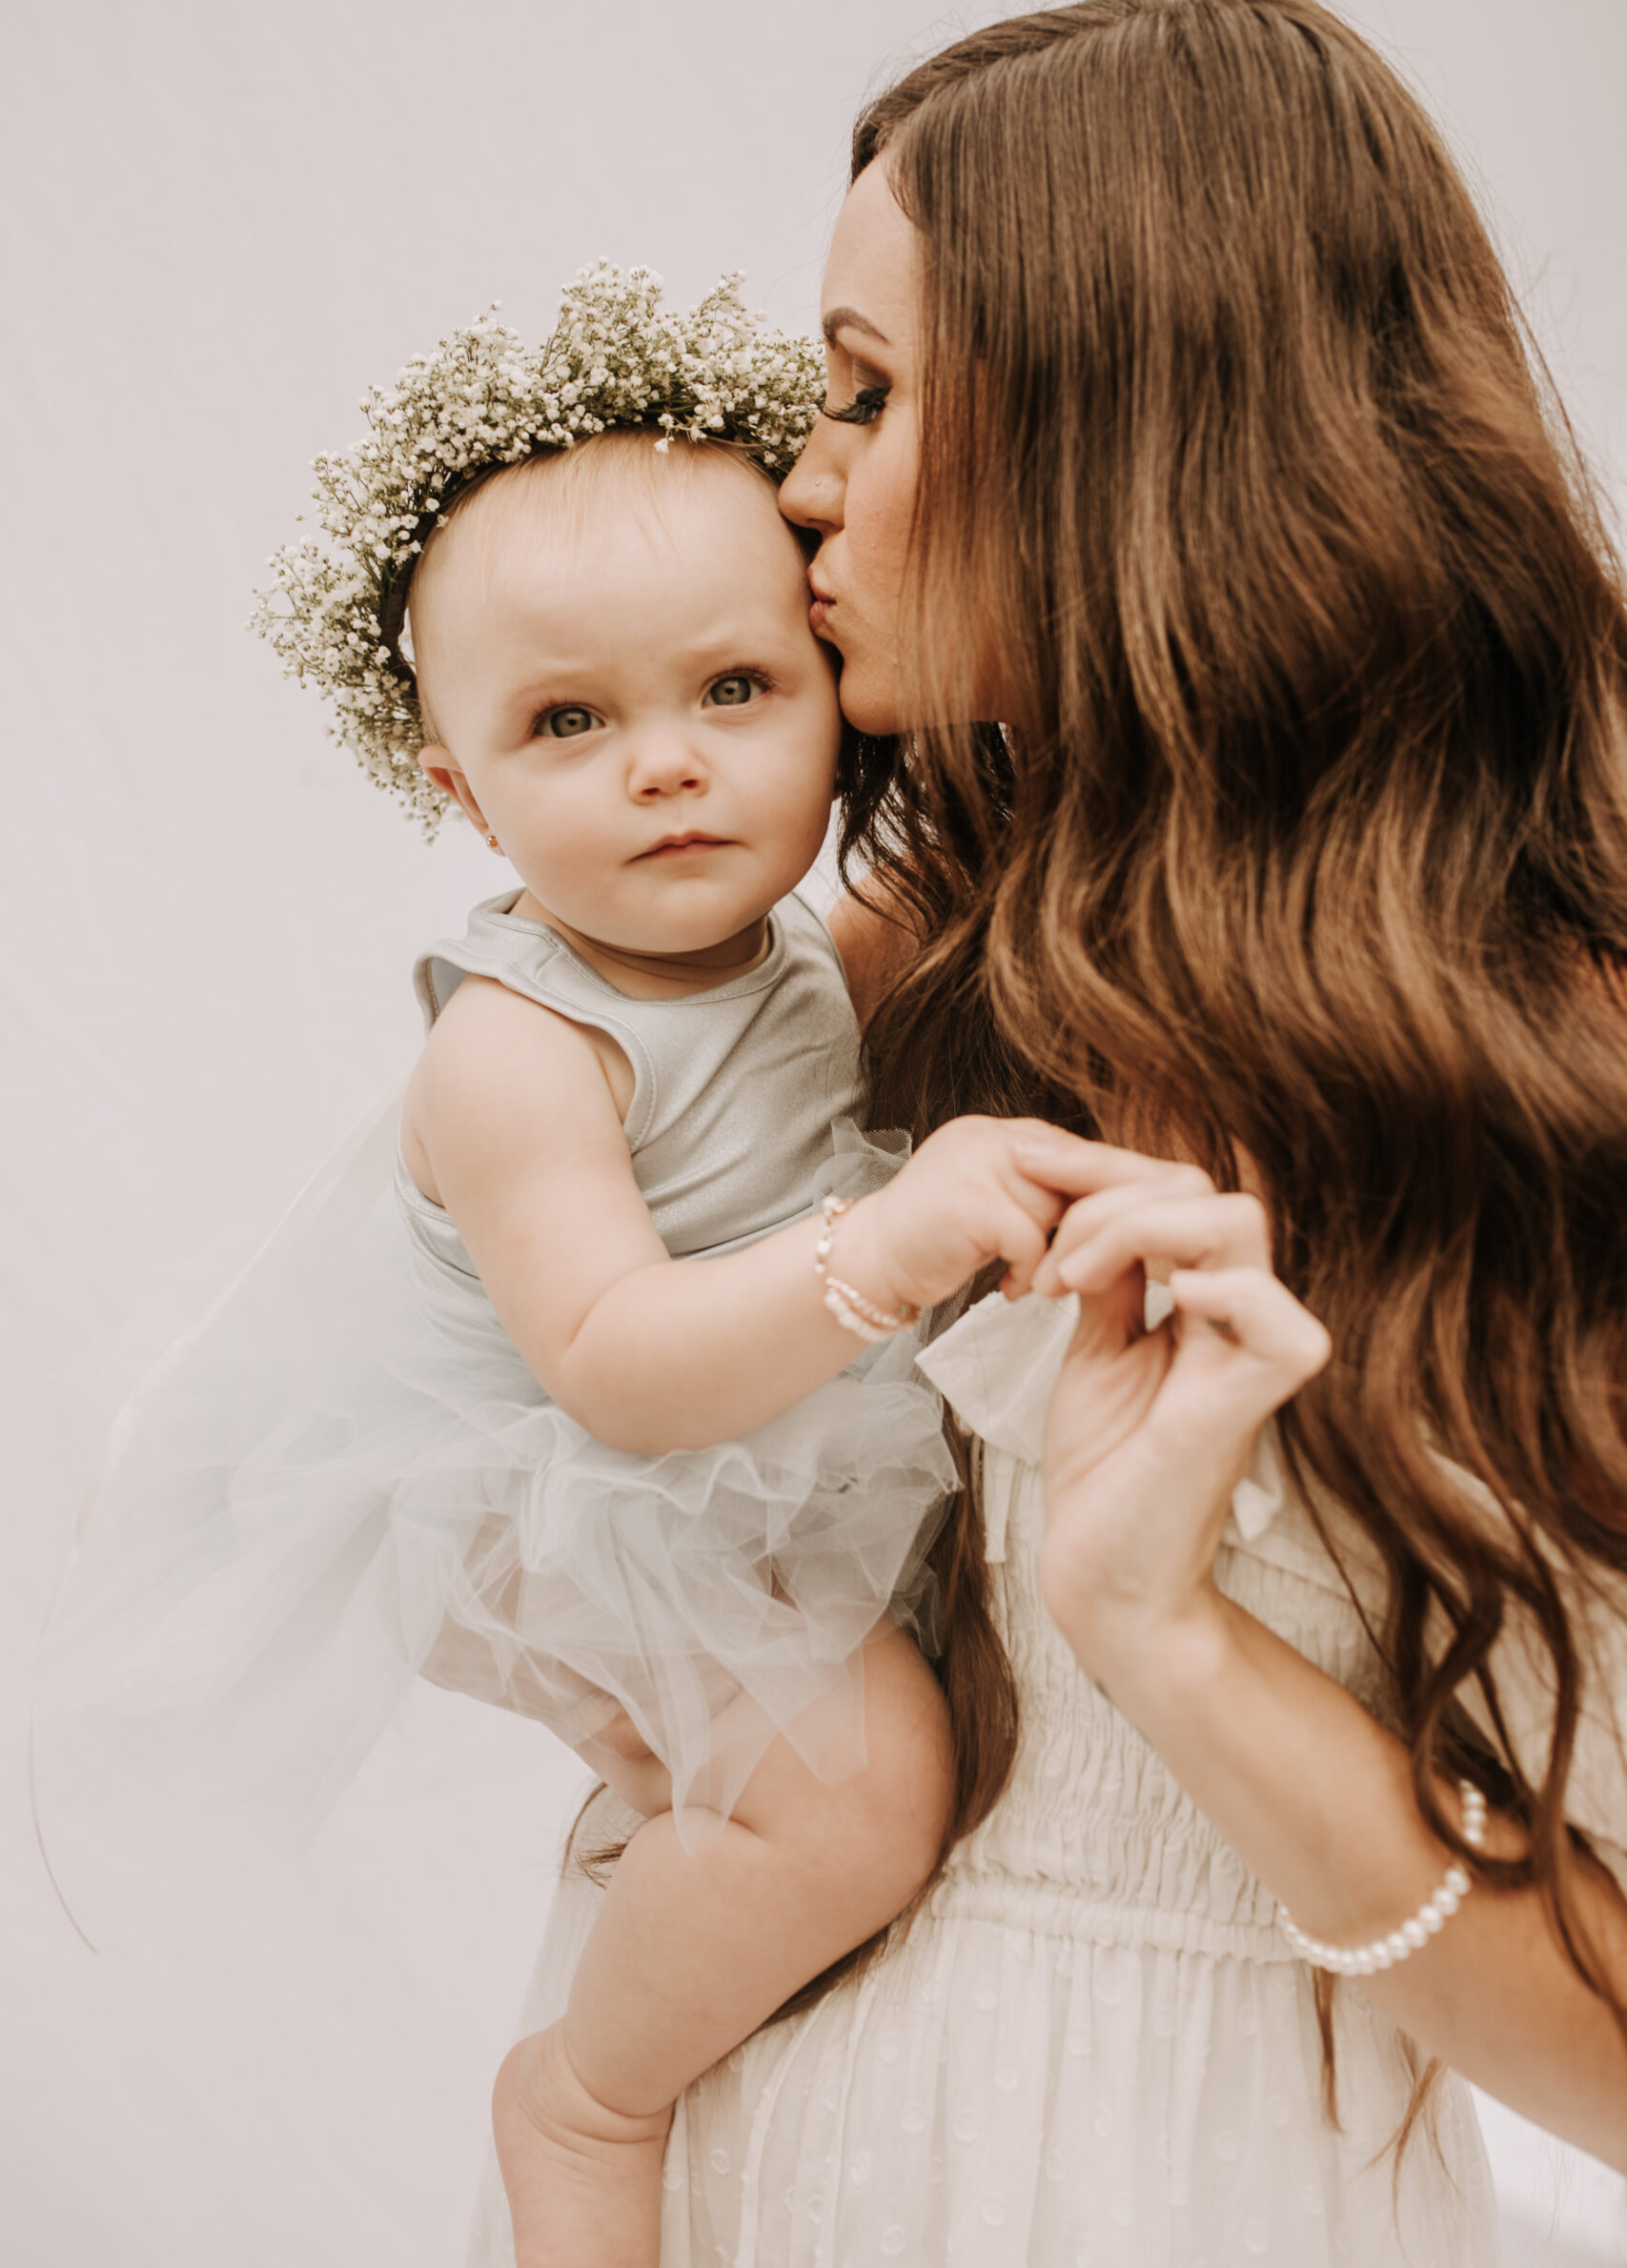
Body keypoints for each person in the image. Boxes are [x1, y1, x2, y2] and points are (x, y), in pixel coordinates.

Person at [458, 0, 1627, 2266]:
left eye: (868, 394)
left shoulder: (1548, 1085)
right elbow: (353, 1413)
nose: (797, 480)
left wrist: (1165, 1632)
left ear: (1130, 435)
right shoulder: (869, 984)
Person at [34, 276, 1086, 2268]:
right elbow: (608, 1360)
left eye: (731, 691)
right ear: (460, 788)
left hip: (718, 1415)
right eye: (566, 722)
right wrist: (884, 1241)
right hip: (543, 1456)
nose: (667, 767)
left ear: (824, 685)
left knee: (847, 1735)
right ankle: (586, 2097)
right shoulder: (515, 1046)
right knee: (863, 1788)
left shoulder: (803, 944)